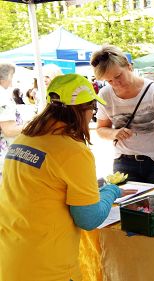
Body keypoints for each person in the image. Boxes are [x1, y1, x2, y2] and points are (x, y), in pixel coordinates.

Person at [0, 74, 135, 281]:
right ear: (82, 109)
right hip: (49, 267)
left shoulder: (24, 138)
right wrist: (112, 190)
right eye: (92, 108)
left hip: (11, 259)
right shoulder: (72, 150)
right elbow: (89, 219)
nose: (92, 115)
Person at [91, 45, 154, 186]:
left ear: (129, 66)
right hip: (123, 162)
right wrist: (115, 133)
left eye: (118, 76)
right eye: (109, 81)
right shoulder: (105, 94)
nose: (116, 84)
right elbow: (101, 130)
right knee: (127, 206)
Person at [0, 62, 24, 180]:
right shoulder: (2, 96)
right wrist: (31, 125)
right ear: (8, 76)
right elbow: (9, 130)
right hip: (4, 155)